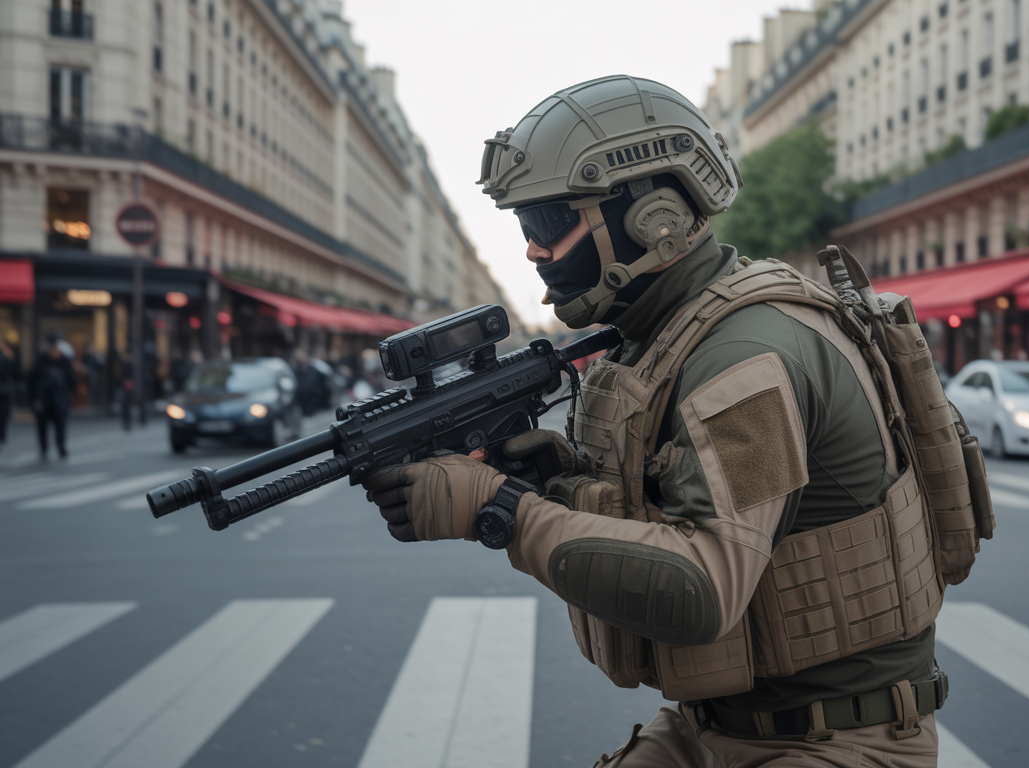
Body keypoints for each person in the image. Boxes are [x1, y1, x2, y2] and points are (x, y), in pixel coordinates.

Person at [361, 76, 989, 767]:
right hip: (727, 728)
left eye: (546, 225)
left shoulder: (746, 361)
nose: (534, 252)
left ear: (650, 218)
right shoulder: (671, 334)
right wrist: (557, 482)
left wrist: (503, 510)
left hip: (832, 743)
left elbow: (704, 586)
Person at [29, 336, 76, 459]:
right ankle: (44, 449)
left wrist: (68, 399)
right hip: (43, 399)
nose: (54, 350)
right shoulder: (40, 361)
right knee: (42, 426)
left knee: (60, 425)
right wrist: (33, 399)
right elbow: (32, 380)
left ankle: (61, 447)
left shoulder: (65, 361)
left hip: (59, 399)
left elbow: (72, 381)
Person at [0, 340, 17, 451]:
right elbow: (15, 374)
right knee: (3, 416)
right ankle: (2, 436)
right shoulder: (7, 359)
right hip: (5, 391)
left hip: (4, 390)